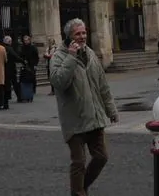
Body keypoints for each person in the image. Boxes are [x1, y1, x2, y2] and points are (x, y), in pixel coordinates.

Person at [50, 19, 118, 196]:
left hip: (94, 116)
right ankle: (79, 192)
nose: (82, 37)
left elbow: (102, 85)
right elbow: (58, 82)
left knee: (101, 157)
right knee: (78, 162)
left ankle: (80, 188)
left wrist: (111, 109)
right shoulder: (59, 56)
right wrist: (71, 58)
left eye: (84, 33)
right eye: (77, 34)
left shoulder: (91, 54)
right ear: (69, 37)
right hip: (74, 119)